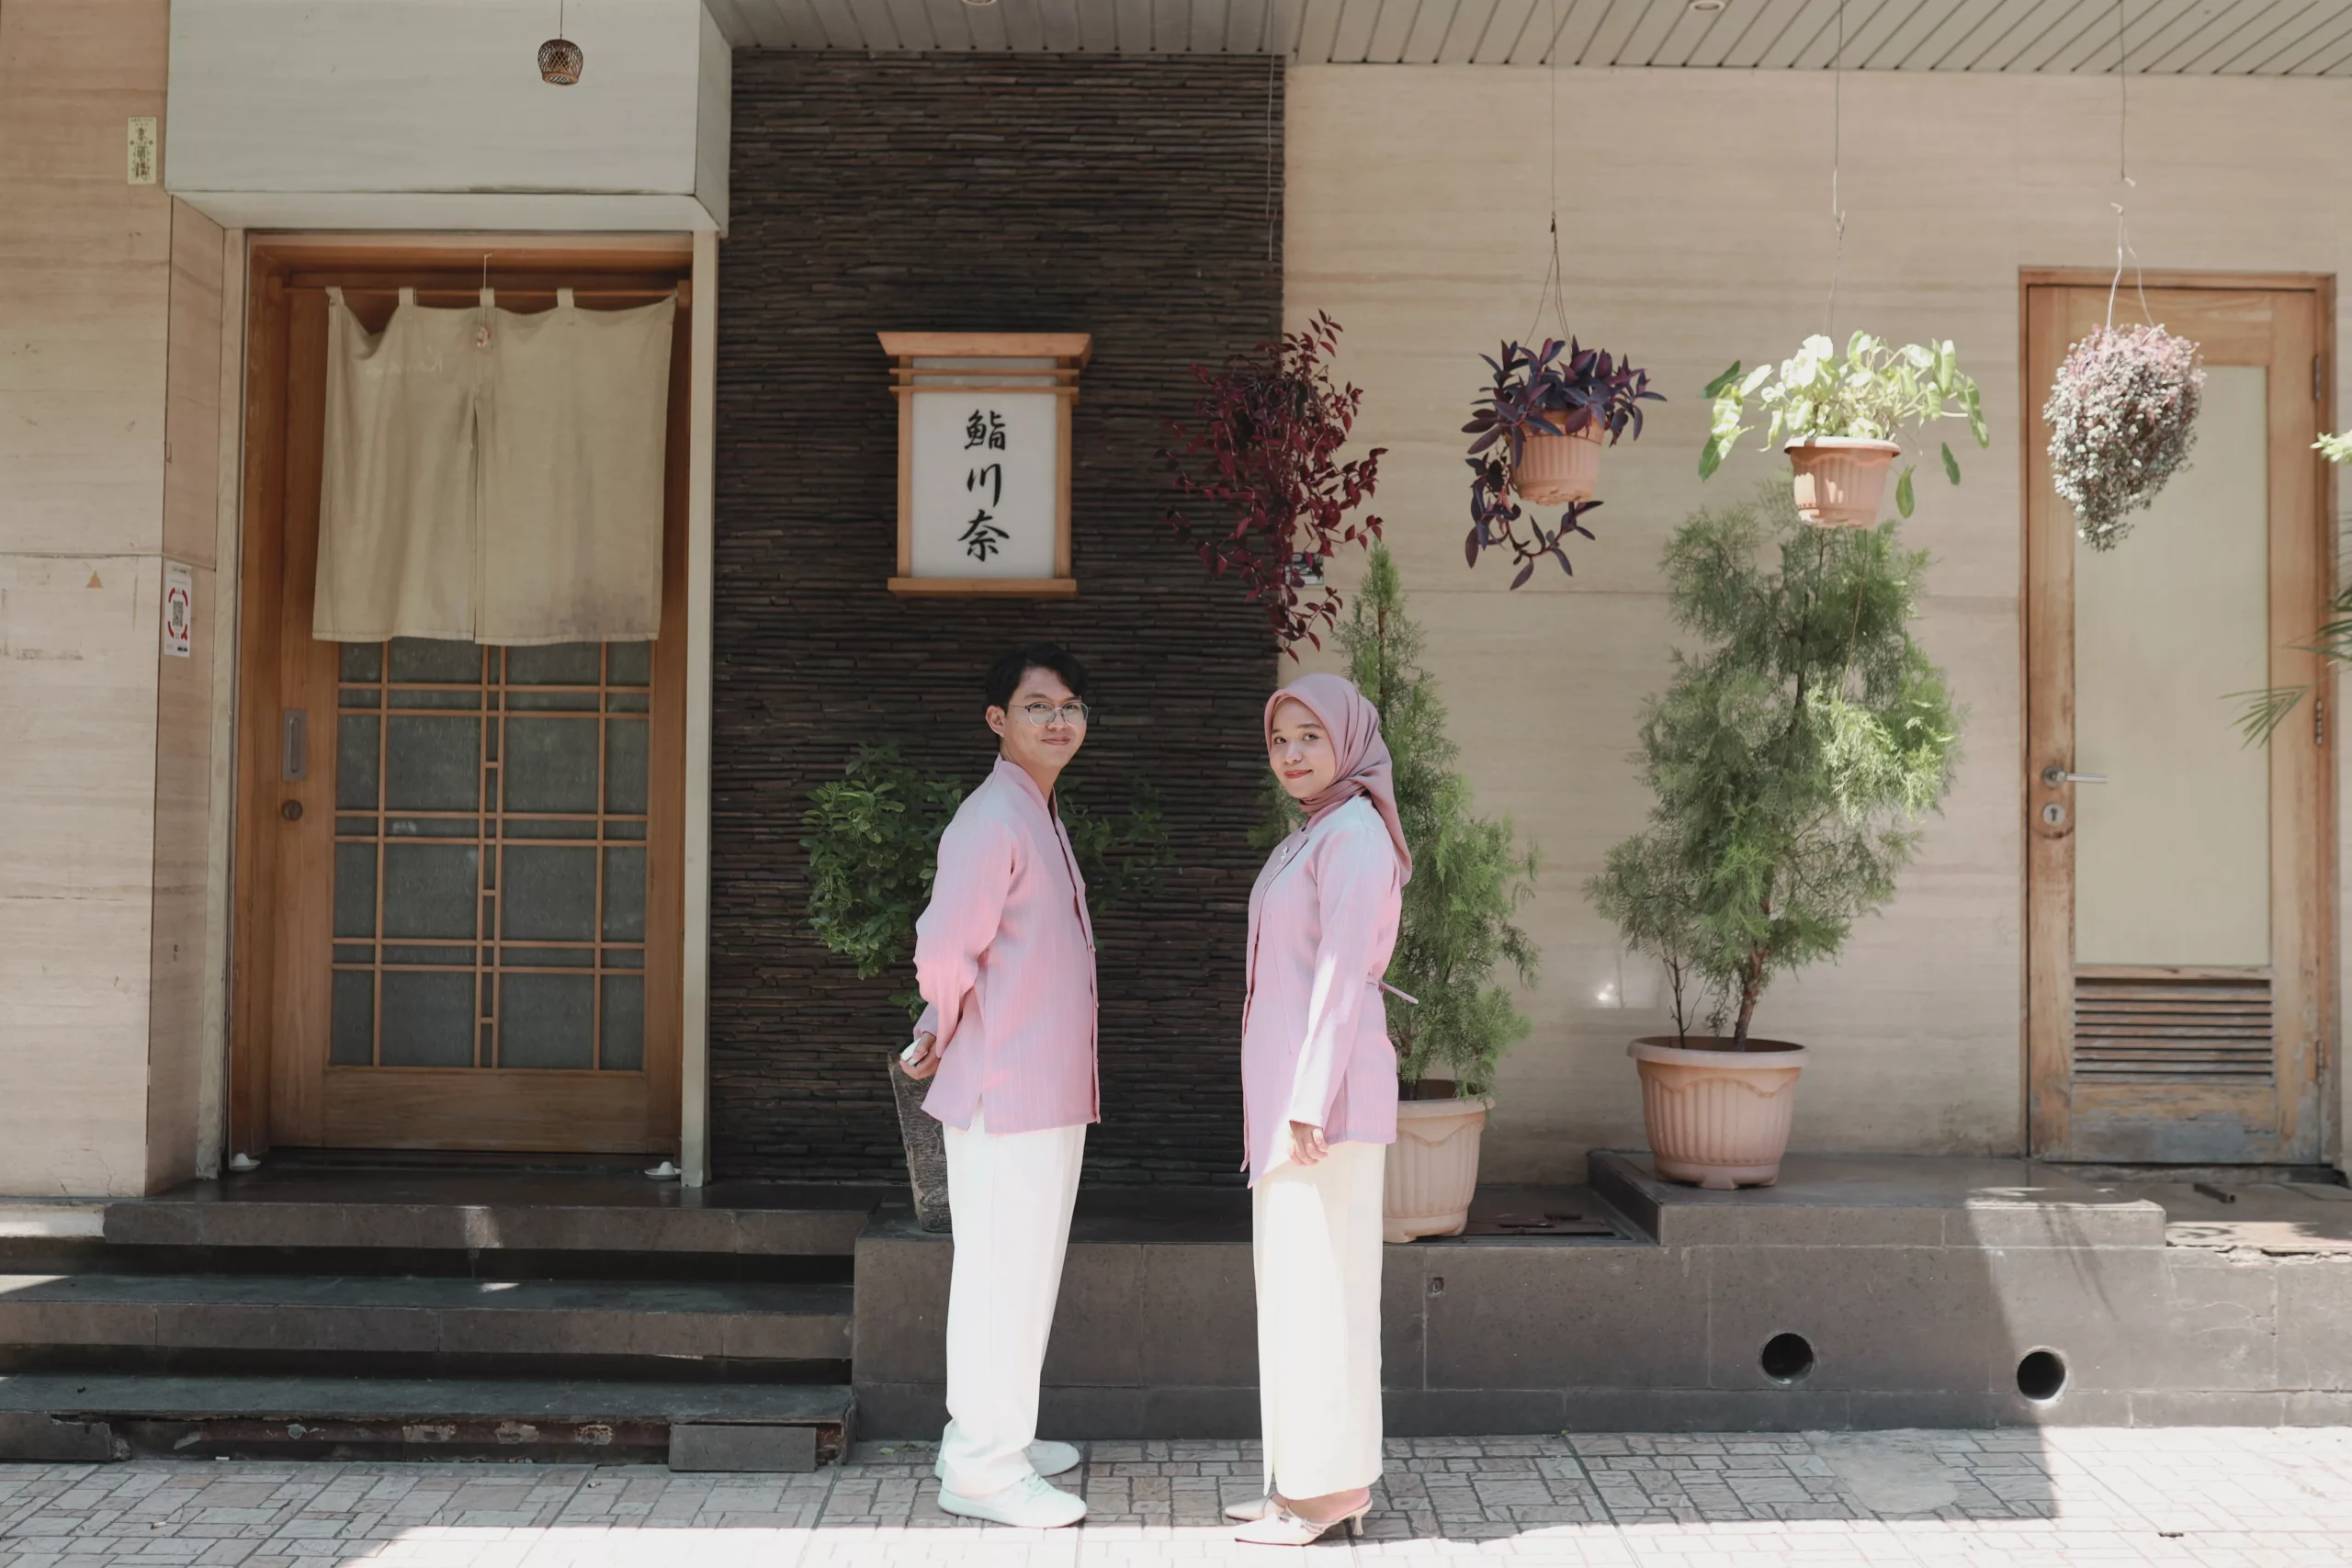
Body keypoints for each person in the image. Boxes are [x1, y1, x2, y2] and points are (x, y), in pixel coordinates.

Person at [899, 643, 1100, 1529]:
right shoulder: (992, 817)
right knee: (999, 1278)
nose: (1059, 720)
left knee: (1024, 1273)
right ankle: (983, 1469)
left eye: (1071, 706)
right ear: (998, 719)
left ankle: (990, 1438)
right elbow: (947, 945)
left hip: (1039, 1087)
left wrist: (938, 1024)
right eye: (1037, 706)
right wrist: (940, 1025)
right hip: (1006, 1089)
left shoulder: (1036, 811)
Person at [1226, 673, 1410, 1546]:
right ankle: (1300, 1482)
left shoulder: (1355, 835)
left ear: (1349, 739)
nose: (1292, 754)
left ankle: (1324, 1494)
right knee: (1298, 1292)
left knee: (1323, 1293)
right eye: (1279, 739)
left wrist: (1307, 1100)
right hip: (1292, 1107)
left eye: (1310, 736)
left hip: (1321, 1110)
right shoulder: (1313, 833)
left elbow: (1341, 972)